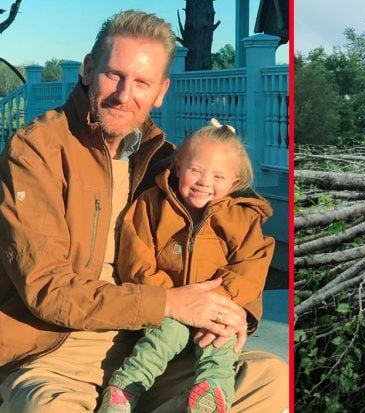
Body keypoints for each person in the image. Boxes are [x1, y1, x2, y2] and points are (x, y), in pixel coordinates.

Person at [0, 10, 287, 413]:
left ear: (161, 91)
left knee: (269, 381)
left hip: (153, 349)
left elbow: (234, 242)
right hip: (55, 353)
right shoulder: (37, 151)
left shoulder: (167, 165)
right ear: (88, 70)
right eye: (114, 75)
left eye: (141, 82)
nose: (124, 94)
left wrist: (237, 310)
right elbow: (47, 289)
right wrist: (168, 304)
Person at [98, 119, 274, 413]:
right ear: (178, 166)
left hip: (216, 308)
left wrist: (224, 303)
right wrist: (169, 298)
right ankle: (123, 393)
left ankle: (210, 396)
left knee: (221, 344)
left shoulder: (243, 218)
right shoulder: (152, 205)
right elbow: (136, 257)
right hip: (169, 308)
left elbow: (252, 266)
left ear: (235, 182)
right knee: (158, 343)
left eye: (219, 176)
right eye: (196, 170)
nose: (205, 182)